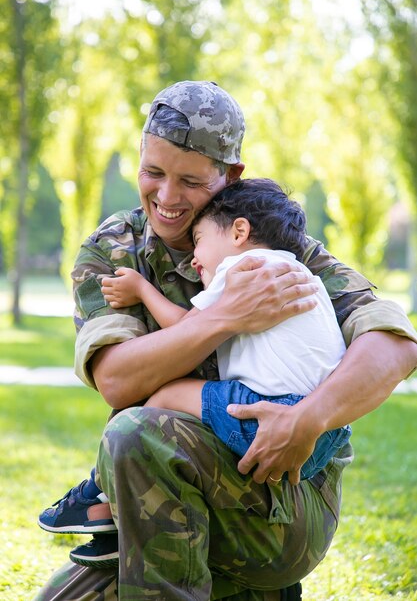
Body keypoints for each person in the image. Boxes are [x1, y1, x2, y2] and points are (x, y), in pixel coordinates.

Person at [34, 80, 417, 601]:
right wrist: (223, 318)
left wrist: (311, 417)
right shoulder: (115, 251)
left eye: (190, 180)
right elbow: (117, 380)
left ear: (230, 176)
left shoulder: (275, 246)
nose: (166, 198)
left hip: (281, 500)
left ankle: (257, 582)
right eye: (152, 172)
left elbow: (395, 346)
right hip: (161, 502)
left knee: (136, 432)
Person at [42, 177, 352, 568]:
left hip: (263, 413)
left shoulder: (243, 268)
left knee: (159, 404)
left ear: (240, 232)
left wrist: (141, 290)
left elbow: (184, 325)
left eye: (201, 240)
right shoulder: (304, 275)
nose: (193, 257)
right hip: (320, 434)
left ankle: (102, 494)